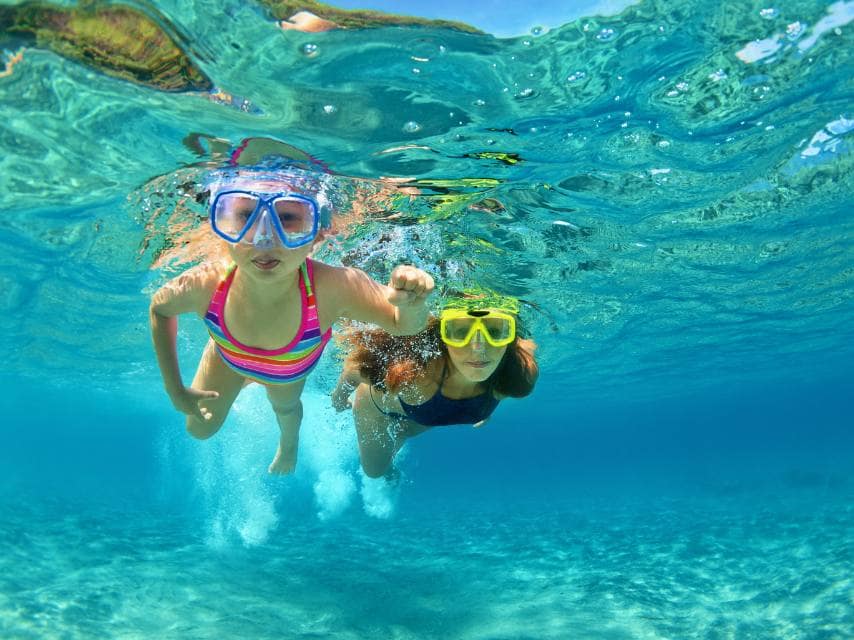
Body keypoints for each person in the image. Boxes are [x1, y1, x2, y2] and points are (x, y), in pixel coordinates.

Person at [149, 166, 434, 474]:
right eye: (245, 216)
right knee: (198, 429)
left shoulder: (333, 288)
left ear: (318, 234)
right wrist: (174, 388)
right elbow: (160, 309)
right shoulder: (205, 284)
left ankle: (289, 446)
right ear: (224, 227)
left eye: (287, 219)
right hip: (227, 357)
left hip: (287, 370)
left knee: (285, 409)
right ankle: (242, 375)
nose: (265, 239)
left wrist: (412, 303)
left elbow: (404, 325)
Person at [332, 302, 538, 478]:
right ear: (444, 336)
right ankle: (390, 472)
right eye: (461, 332)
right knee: (375, 472)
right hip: (378, 410)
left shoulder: (519, 372)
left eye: (494, 332)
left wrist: (484, 409)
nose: (479, 348)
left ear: (509, 339)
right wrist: (339, 398)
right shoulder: (415, 374)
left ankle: (402, 433)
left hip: (425, 413)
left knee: (405, 432)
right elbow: (353, 371)